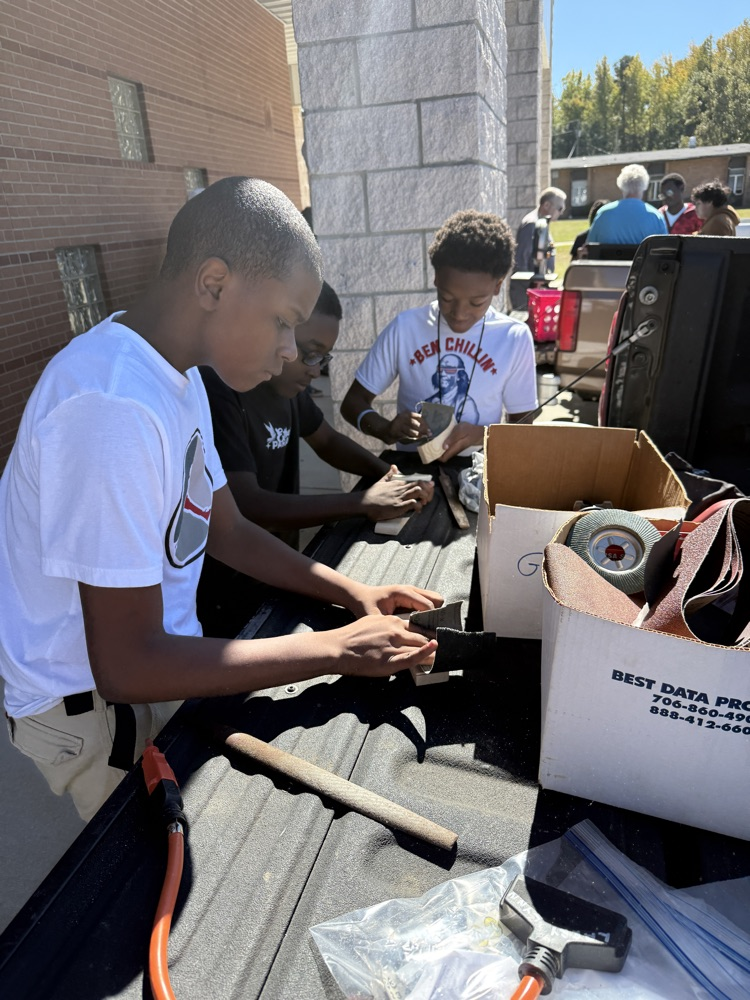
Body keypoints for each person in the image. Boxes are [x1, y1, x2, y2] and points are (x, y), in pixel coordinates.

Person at [0, 177, 441, 821]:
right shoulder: (110, 408)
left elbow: (227, 528)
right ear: (213, 284)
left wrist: (351, 595)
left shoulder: (180, 378)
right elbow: (127, 663)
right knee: (147, 884)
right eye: (285, 323)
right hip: (90, 705)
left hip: (146, 671)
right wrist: (338, 649)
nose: (292, 351)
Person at [198, 280, 434, 638]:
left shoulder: (287, 386)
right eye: (309, 353)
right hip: (228, 582)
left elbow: (326, 440)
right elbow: (248, 505)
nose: (315, 369)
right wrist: (362, 503)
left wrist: (387, 473)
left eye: (323, 358)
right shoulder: (222, 389)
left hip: (279, 564)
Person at [341, 210, 538, 462]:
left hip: (479, 474)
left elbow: (523, 429)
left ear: (498, 286)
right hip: (415, 473)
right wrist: (386, 430)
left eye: (477, 302)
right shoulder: (406, 328)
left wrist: (482, 435)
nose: (459, 313)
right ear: (435, 279)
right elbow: (352, 403)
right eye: (446, 298)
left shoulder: (514, 337)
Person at [586, 164, 667, 245]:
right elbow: (665, 249)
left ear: (620, 185)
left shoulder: (603, 213)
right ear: (645, 186)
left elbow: (590, 246)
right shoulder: (656, 216)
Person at [514, 187, 567, 273]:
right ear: (546, 205)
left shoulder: (542, 222)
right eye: (560, 209)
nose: (561, 213)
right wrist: (534, 283)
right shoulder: (531, 224)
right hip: (529, 284)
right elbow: (522, 261)